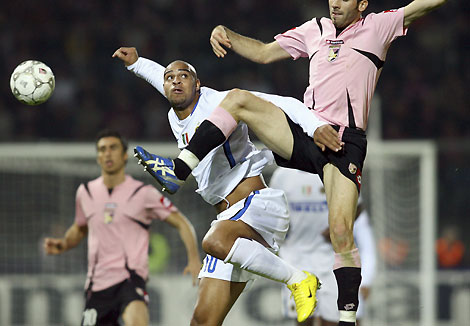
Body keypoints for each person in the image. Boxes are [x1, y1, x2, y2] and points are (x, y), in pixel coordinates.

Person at [137, 0, 448, 325]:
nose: (335, 3)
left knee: (342, 232)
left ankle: (346, 320)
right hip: (303, 132)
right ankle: (179, 169)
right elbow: (263, 53)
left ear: (362, 4)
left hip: (343, 142)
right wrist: (227, 33)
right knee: (239, 99)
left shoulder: (378, 26)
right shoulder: (315, 29)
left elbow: (419, 7)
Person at [111, 47, 338, 324]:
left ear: (198, 85)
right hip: (228, 218)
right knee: (202, 321)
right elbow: (161, 77)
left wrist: (314, 126)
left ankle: (298, 279)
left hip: (256, 206)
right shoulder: (176, 112)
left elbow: (282, 102)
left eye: (184, 76)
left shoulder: (220, 102)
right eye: (170, 78)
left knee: (214, 241)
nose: (175, 81)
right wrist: (136, 64)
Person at [43, 129, 201, 326]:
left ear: (124, 155)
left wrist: (194, 258)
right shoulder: (85, 193)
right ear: (98, 157)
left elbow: (181, 222)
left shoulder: (142, 193)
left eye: (113, 148)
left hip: (130, 280)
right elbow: (80, 228)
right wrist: (64, 244)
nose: (107, 153)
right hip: (97, 284)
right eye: (102, 149)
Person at [270, 168, 376, 326]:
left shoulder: (335, 169)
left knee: (336, 320)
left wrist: (341, 223)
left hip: (330, 261)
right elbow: (271, 209)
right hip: (296, 259)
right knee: (305, 320)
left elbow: (357, 206)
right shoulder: (282, 175)